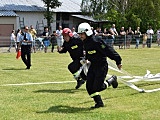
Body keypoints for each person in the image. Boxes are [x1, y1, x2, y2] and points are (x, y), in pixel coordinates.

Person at [77, 22, 122, 108]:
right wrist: (86, 59)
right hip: (93, 66)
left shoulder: (96, 41)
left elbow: (108, 50)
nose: (80, 36)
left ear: (87, 32)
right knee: (89, 87)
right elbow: (89, 53)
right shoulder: (85, 42)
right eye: (80, 34)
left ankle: (112, 80)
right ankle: (99, 103)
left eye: (82, 34)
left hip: (101, 66)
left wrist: (118, 60)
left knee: (97, 87)